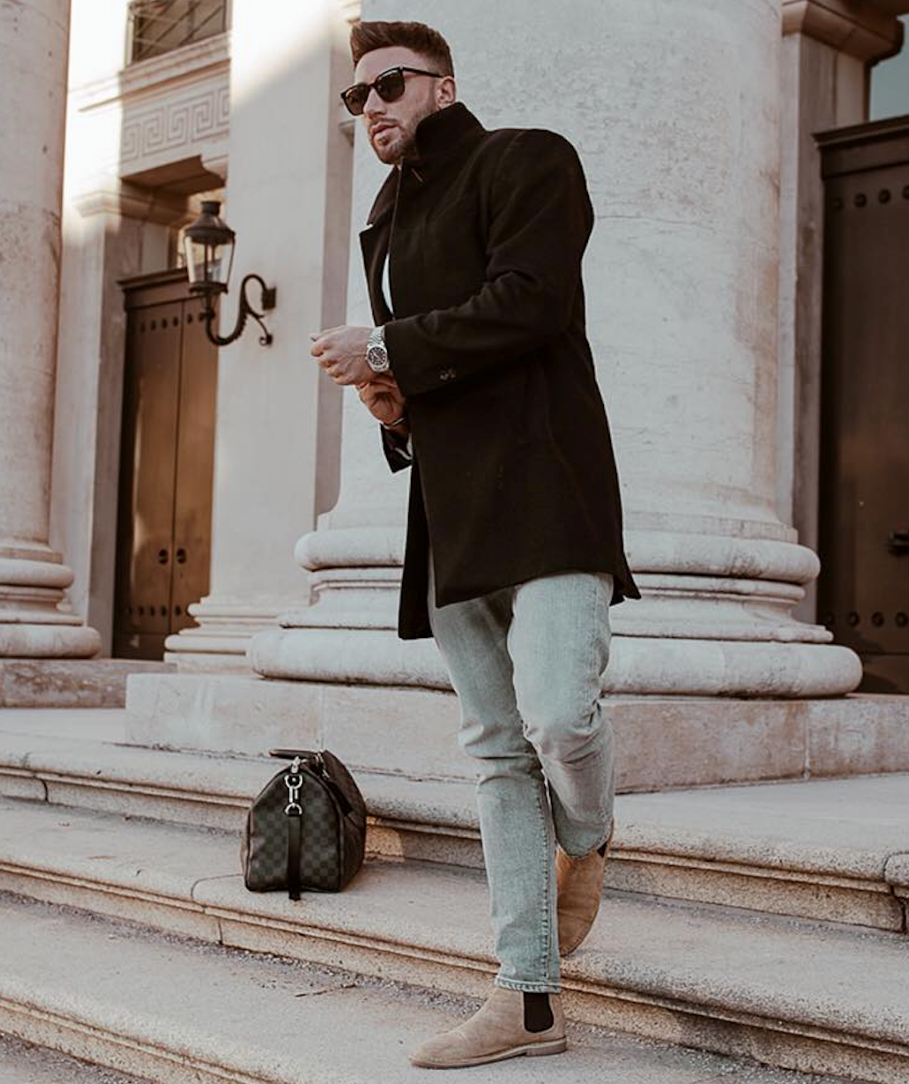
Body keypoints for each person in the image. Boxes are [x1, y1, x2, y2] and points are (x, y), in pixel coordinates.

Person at [309, 18, 641, 1070]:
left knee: (559, 716)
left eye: (389, 86)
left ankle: (586, 833)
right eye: (356, 97)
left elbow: (531, 304)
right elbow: (432, 379)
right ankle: (526, 1001)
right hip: (450, 512)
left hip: (546, 490)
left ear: (441, 88)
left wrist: (385, 345)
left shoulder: (527, 159)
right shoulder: (383, 220)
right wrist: (393, 407)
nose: (370, 108)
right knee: (496, 751)